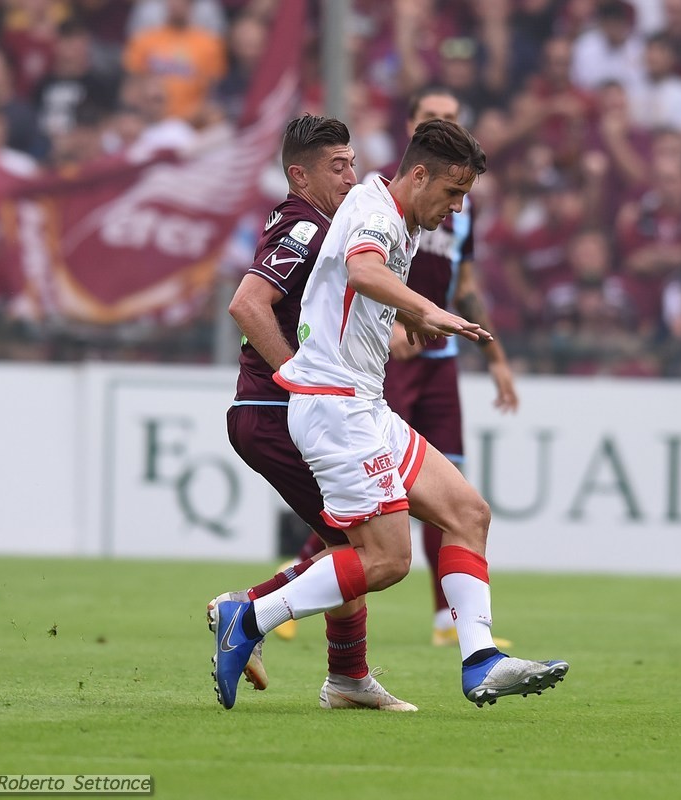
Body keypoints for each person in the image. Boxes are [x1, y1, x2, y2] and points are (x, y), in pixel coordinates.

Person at [210, 119, 568, 710]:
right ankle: (248, 617)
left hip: (365, 404)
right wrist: (431, 311)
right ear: (419, 174)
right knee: (386, 559)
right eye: (453, 193)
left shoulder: (387, 214)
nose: (456, 209)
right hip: (335, 409)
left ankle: (480, 660)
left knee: (467, 513)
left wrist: (411, 320)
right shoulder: (375, 212)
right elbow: (363, 271)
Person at [213, 114, 415, 712]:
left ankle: (347, 677)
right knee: (362, 547)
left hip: (279, 410)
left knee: (348, 541)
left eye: (353, 162)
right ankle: (247, 613)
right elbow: (248, 305)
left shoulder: (327, 223)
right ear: (299, 174)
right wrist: (300, 381)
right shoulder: (303, 226)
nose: (352, 175)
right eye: (337, 166)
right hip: (274, 411)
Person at [379, 87, 518, 647]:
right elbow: (357, 271)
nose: (445, 127)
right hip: (390, 356)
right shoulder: (383, 204)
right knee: (374, 488)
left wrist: (497, 359)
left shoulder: (462, 205)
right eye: (433, 120)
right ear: (412, 128)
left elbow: (465, 285)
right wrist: (390, 324)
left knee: (452, 488)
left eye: (454, 120)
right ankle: (295, 587)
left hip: (439, 357)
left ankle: (447, 620)